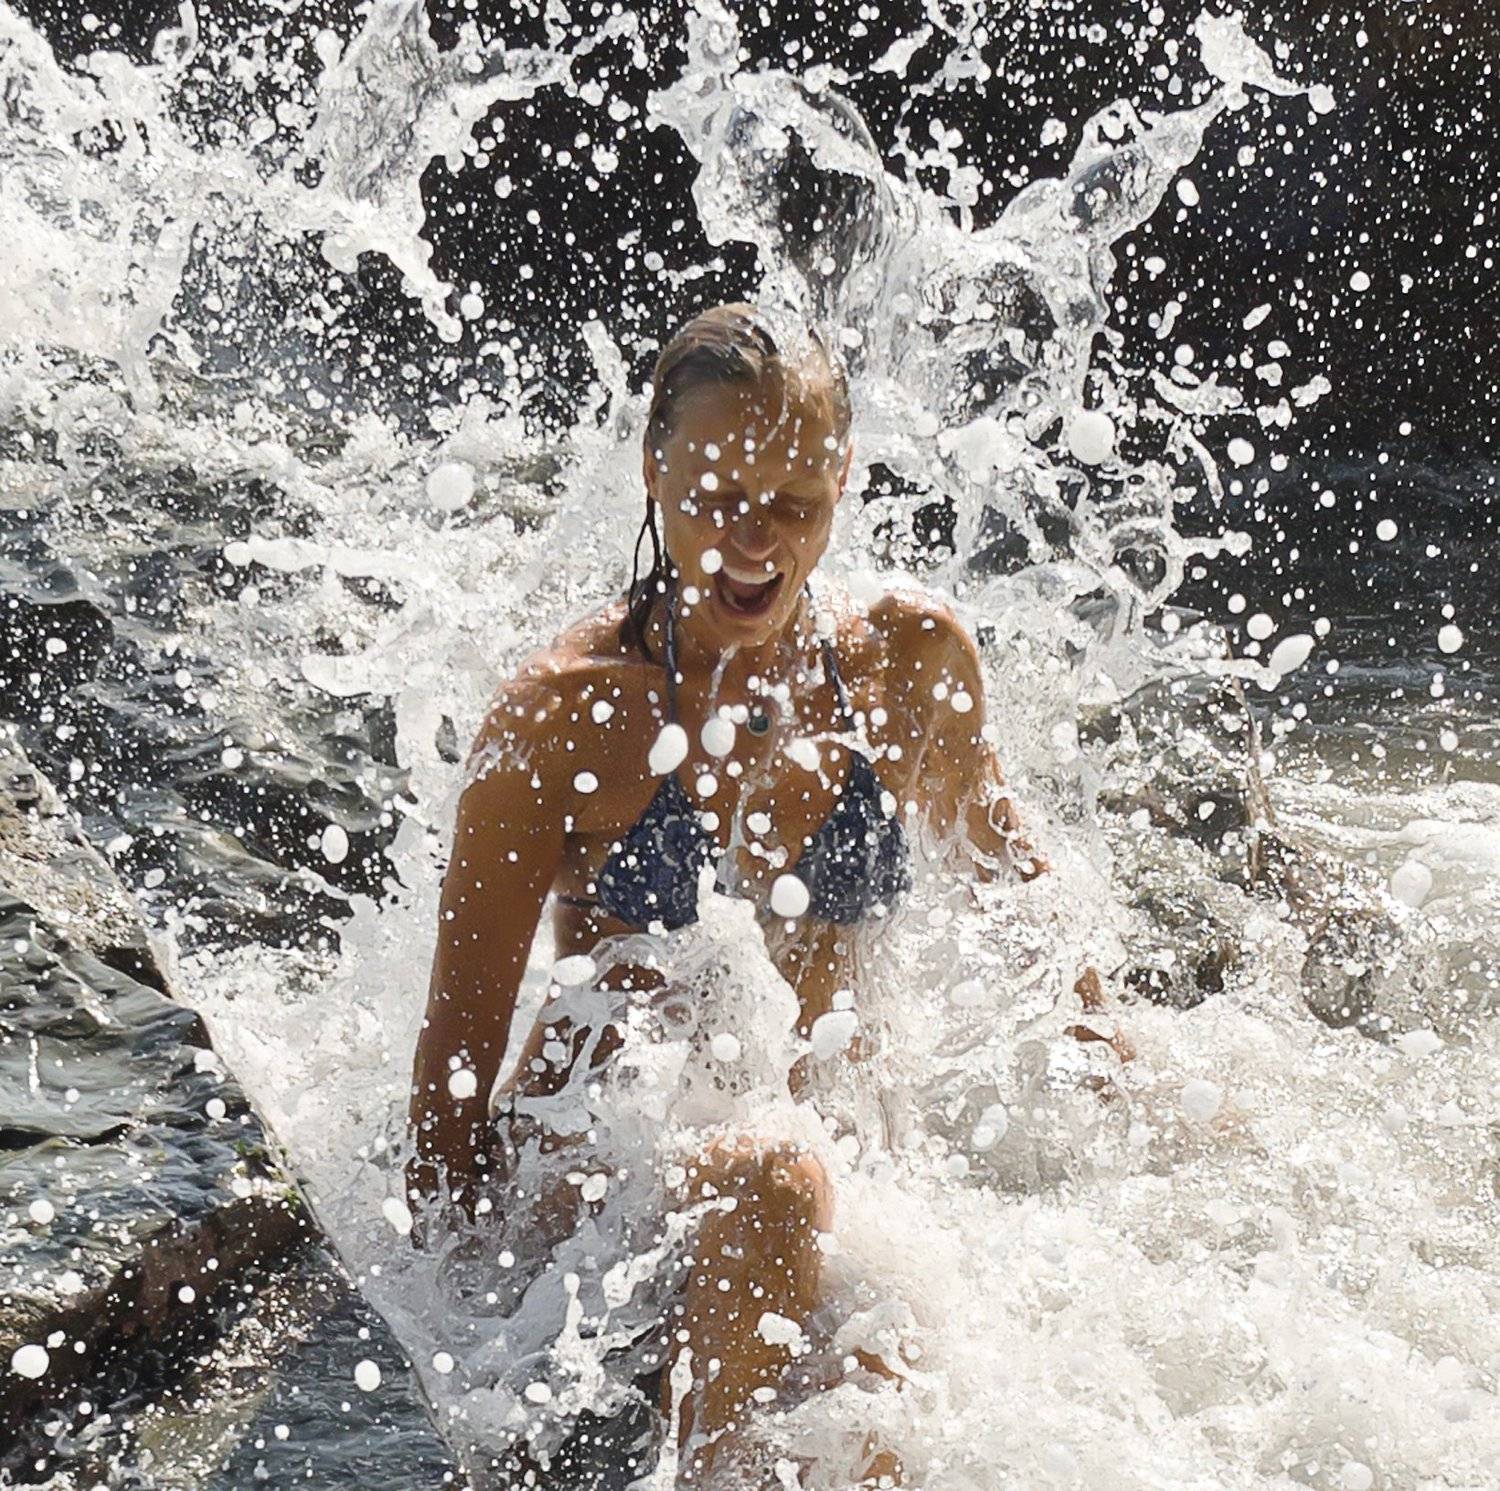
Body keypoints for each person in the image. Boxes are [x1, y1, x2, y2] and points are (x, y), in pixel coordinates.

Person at [407, 302, 1126, 1486]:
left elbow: (1026, 898)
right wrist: (463, 1329)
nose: (752, 541)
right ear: (651, 467)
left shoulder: (908, 665)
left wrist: (1117, 1056)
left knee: (892, 1390)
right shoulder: (559, 717)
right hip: (596, 1196)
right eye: (715, 499)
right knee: (774, 1176)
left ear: (845, 482)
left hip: (833, 1164)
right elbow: (453, 1077)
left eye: (793, 505)